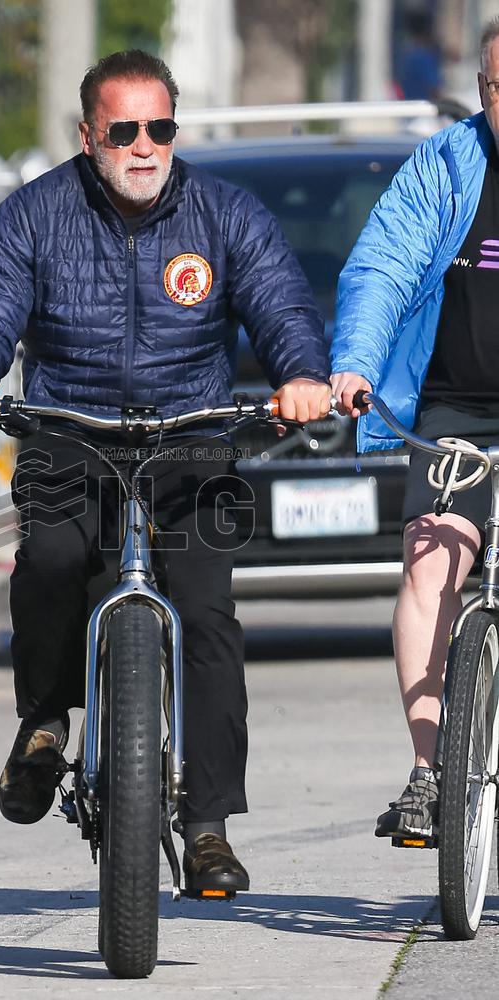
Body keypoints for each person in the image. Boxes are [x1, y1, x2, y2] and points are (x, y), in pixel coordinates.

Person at [0, 49, 330, 893]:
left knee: (208, 614)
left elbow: (280, 303)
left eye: (161, 127)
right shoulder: (35, 216)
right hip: (70, 430)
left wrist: (300, 375)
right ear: (88, 136)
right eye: (125, 130)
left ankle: (211, 824)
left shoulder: (227, 216)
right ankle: (43, 725)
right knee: (47, 559)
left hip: (190, 436)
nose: (145, 146)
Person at [332, 18, 499, 841]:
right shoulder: (447, 165)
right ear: (481, 89)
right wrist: (355, 362)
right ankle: (432, 773)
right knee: (430, 561)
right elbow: (381, 267)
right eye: (498, 88)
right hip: (457, 410)